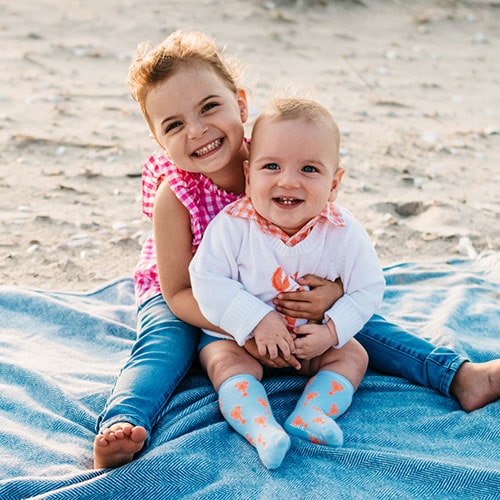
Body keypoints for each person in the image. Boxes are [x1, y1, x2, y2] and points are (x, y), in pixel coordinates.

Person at [92, 29, 499, 469]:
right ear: (159, 141)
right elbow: (179, 293)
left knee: (358, 327)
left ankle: (457, 375)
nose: (198, 130)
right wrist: (253, 322)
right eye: (174, 125)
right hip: (188, 297)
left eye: (209, 107)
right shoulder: (177, 194)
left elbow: (327, 236)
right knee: (166, 345)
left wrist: (333, 295)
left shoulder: (279, 155)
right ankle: (122, 425)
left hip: (274, 287)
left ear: (240, 104)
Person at [188, 97, 385, 468]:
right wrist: (254, 321)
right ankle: (261, 427)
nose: (289, 180)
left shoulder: (343, 232)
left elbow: (368, 288)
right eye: (272, 166)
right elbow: (206, 279)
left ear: (335, 182)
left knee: (353, 355)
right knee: (220, 359)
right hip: (242, 341)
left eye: (309, 169)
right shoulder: (233, 226)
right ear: (248, 175)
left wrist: (330, 333)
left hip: (309, 343)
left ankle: (311, 414)